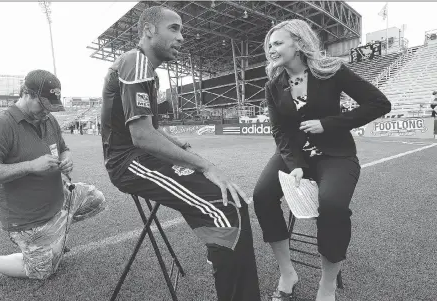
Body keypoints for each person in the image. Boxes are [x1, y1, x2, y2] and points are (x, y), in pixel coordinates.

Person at [100, 6, 260, 301]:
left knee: (232, 202)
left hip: (144, 156)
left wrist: (178, 145)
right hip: (129, 163)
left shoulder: (149, 72)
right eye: (173, 28)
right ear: (148, 31)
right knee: (226, 208)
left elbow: (153, 129)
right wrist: (205, 165)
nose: (182, 37)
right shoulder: (135, 61)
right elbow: (141, 136)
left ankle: (222, 256)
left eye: (181, 30)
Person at [252, 19, 391, 301]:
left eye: (278, 42)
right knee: (262, 195)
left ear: (299, 43)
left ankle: (326, 285)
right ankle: (287, 272)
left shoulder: (332, 71)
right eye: (269, 44)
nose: (271, 48)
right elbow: (279, 131)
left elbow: (379, 103)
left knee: (332, 207)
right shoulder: (273, 84)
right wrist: (295, 166)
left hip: (336, 154)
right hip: (294, 155)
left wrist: (328, 123)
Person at [0, 70, 106, 287]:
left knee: (97, 199)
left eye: (51, 107)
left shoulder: (49, 121)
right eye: (43, 105)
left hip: (61, 198)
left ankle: (56, 237)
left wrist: (67, 159)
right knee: (42, 272)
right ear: (26, 93)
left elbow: (64, 149)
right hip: (29, 219)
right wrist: (30, 166)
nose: (47, 112)